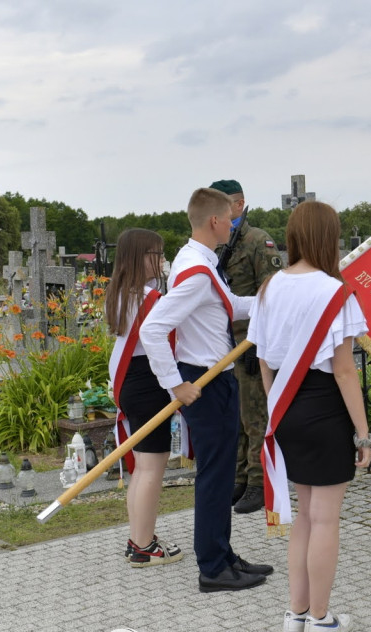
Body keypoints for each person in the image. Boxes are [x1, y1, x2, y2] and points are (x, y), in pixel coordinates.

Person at [247, 201, 371, 632]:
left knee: (304, 517)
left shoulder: (268, 288)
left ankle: (295, 615)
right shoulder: (335, 292)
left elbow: (262, 360)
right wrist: (363, 433)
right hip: (325, 408)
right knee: (325, 519)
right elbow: (343, 371)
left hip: (286, 408)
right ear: (329, 237)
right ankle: (320, 620)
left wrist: (277, 408)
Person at [140, 187, 273, 592]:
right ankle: (213, 568)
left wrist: (272, 299)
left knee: (216, 475)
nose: (233, 223)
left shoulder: (199, 262)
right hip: (203, 380)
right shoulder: (197, 272)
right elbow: (152, 328)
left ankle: (223, 554)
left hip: (214, 376)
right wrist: (175, 384)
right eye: (229, 218)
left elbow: (230, 305)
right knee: (214, 478)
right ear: (214, 222)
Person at [105, 228, 184, 567]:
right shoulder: (148, 297)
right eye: (157, 253)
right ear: (141, 257)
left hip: (133, 382)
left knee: (142, 467)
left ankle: (139, 537)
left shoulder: (123, 292)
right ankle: (144, 545)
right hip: (149, 382)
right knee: (152, 466)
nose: (162, 260)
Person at [208, 179, 283, 514]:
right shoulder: (216, 243)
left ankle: (258, 483)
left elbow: (271, 294)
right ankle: (240, 477)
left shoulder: (256, 241)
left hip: (251, 343)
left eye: (222, 206)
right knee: (236, 417)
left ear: (239, 205)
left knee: (256, 416)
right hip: (225, 343)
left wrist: (258, 342)